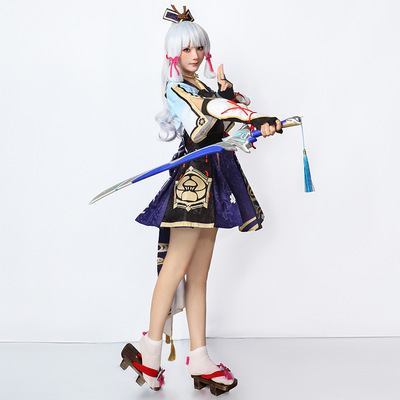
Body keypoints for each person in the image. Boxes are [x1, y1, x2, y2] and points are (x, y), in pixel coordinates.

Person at [120, 6, 282, 396]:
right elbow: (211, 114)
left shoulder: (206, 87)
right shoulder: (178, 89)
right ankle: (150, 350)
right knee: (174, 268)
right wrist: (249, 115)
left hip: (214, 181)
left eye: (199, 47)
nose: (194, 54)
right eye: (187, 48)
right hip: (192, 185)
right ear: (173, 54)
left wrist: (241, 109)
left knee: (198, 276)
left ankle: (199, 357)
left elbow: (225, 124)